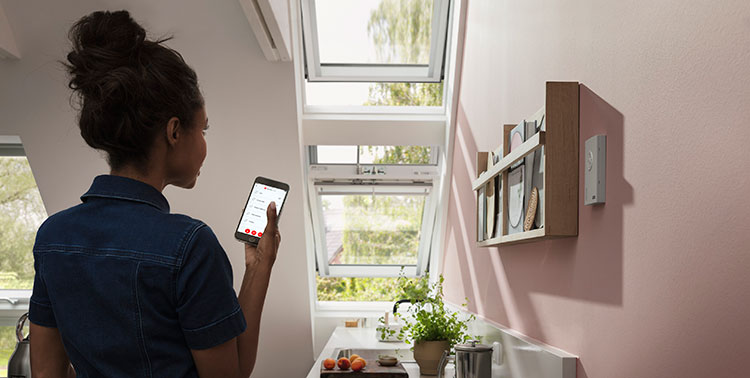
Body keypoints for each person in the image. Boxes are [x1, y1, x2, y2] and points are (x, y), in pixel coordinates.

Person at [27, 10, 280, 378]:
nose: (205, 144)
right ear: (174, 131)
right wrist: (260, 271)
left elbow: (46, 374)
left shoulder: (53, 237)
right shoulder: (191, 246)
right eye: (203, 130)